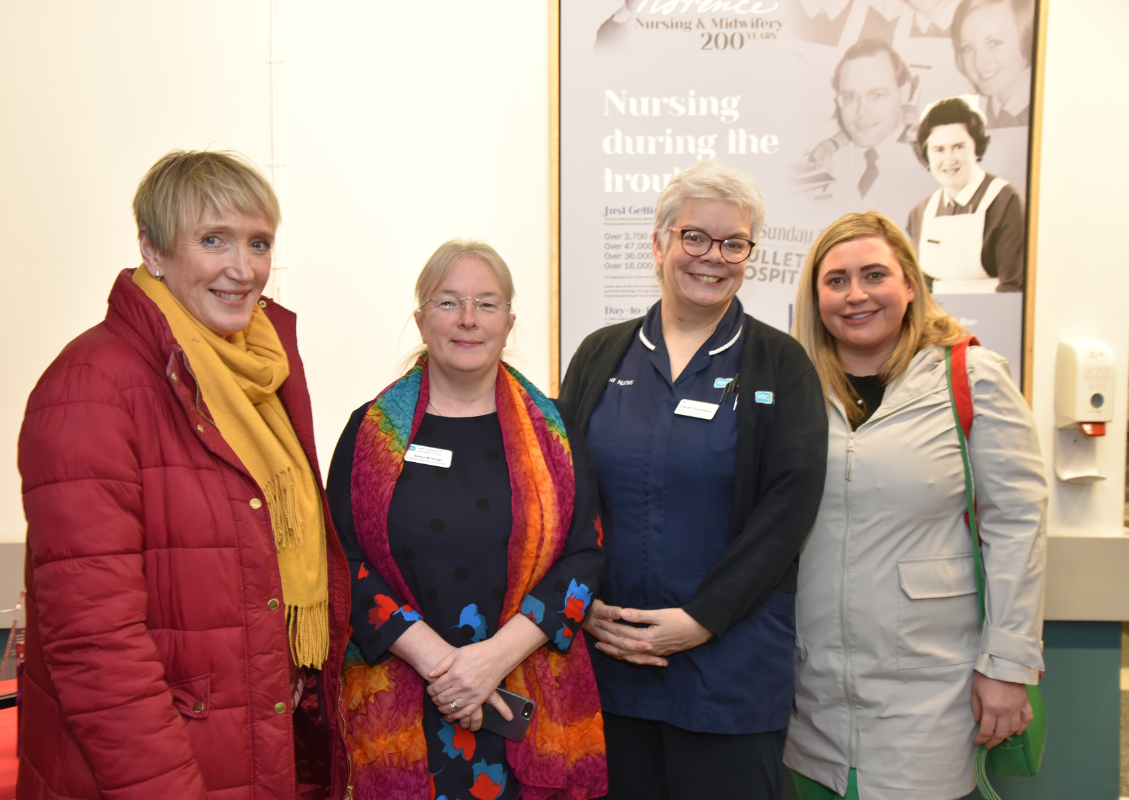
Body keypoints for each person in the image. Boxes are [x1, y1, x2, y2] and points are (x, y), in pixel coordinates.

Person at [17, 150, 352, 800]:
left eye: (259, 242)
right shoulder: (91, 389)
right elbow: (95, 648)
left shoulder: (258, 372)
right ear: (152, 249)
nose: (243, 268)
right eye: (213, 240)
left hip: (256, 750)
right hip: (161, 772)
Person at [559, 161, 829, 800]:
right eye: (695, 238)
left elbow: (788, 509)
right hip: (610, 657)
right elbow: (566, 496)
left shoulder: (779, 364)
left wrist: (703, 619)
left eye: (734, 242)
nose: (714, 257)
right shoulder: (602, 354)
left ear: (749, 256)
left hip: (727, 669)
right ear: (659, 245)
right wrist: (582, 606)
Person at [327, 240, 607, 800]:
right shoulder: (368, 433)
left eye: (486, 303)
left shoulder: (555, 431)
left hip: (522, 697)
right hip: (403, 697)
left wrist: (490, 661)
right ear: (420, 318)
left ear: (509, 322)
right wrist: (441, 664)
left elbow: (586, 553)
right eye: (448, 301)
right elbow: (339, 561)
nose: (468, 320)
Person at [785, 211, 1046, 800]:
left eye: (874, 274)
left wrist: (1007, 666)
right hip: (812, 690)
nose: (856, 295)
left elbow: (1018, 527)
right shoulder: (797, 388)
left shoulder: (970, 376)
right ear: (815, 297)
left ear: (909, 284)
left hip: (932, 688)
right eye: (836, 281)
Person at [907, 96, 1026, 293]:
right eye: (939, 150)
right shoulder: (919, 213)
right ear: (926, 155)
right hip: (937, 321)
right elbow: (920, 289)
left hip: (995, 318)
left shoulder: (1006, 201)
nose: (949, 159)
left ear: (976, 148)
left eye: (959, 147)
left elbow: (1015, 287)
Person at [804, 40, 931, 213]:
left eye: (876, 95)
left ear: (904, 92)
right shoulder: (819, 162)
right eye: (850, 97)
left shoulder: (934, 168)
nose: (862, 111)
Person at [951, 0, 1034, 127]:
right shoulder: (968, 114)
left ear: (1027, 38)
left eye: (993, 43)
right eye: (968, 48)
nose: (978, 63)